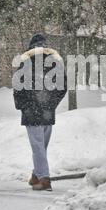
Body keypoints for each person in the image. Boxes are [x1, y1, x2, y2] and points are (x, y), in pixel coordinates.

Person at [13, 33, 67, 191]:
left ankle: (44, 179)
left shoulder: (26, 61)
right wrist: (51, 104)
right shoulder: (54, 62)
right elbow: (62, 87)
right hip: (47, 112)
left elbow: (18, 85)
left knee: (38, 147)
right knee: (41, 146)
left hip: (31, 111)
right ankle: (36, 175)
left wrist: (22, 105)